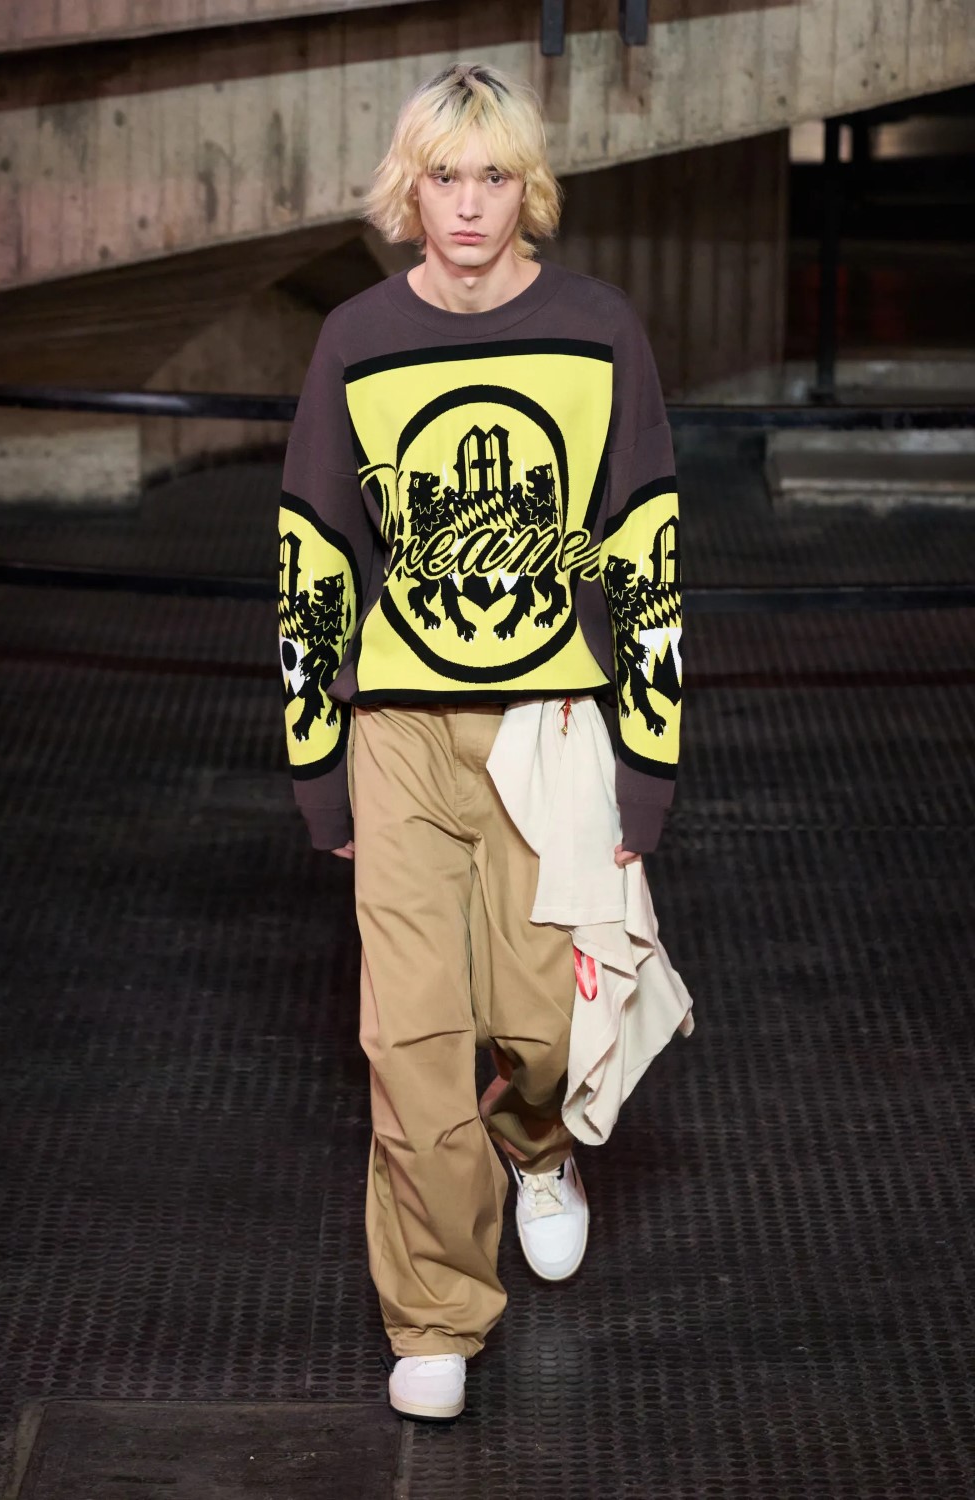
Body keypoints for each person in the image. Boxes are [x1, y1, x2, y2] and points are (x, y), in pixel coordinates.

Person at [278, 60, 682, 1422]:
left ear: (529, 189)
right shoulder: (357, 338)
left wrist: (648, 768)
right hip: (396, 730)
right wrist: (316, 763)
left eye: (494, 176)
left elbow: (645, 549)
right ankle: (438, 1313)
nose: (467, 204)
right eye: (444, 177)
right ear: (410, 188)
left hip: (549, 735)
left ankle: (538, 1148)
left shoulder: (597, 330)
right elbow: (314, 552)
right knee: (410, 1044)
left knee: (542, 1030)